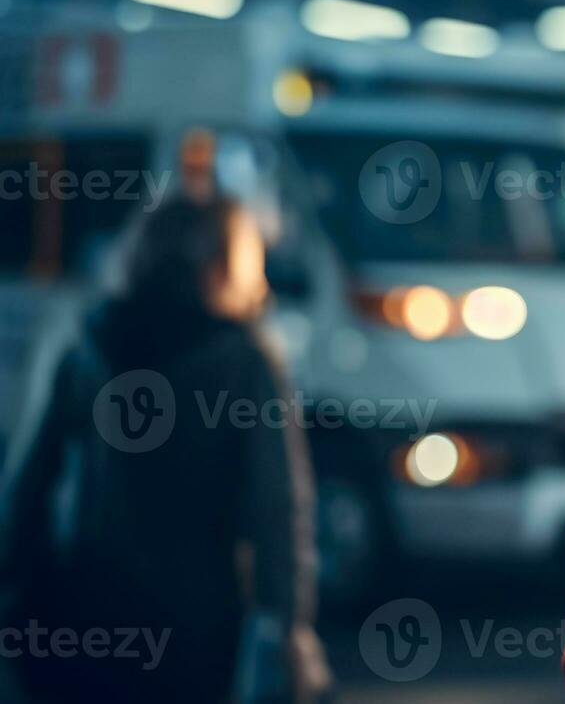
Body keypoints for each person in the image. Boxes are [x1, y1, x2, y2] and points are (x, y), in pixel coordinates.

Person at [0, 193, 329, 702]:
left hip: (89, 610)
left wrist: (25, 586)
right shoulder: (242, 362)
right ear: (231, 262)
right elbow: (277, 507)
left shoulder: (90, 346)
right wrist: (287, 628)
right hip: (200, 621)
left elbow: (27, 486)